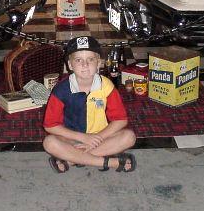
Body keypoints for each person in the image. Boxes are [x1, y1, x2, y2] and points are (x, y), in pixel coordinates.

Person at [42, 36, 137, 173]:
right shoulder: (61, 90)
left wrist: (98, 138)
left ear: (98, 63)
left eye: (90, 59)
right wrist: (83, 138)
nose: (85, 65)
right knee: (49, 143)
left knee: (129, 137)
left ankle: (72, 159)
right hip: (72, 138)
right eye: (78, 60)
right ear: (70, 65)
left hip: (101, 137)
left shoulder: (107, 86)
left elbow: (120, 120)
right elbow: (50, 125)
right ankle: (108, 162)